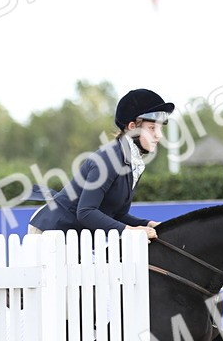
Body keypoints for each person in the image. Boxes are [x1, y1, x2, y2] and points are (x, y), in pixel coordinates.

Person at [28, 88, 173, 240]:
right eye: (152, 128)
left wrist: (149, 224)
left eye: (159, 129)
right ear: (132, 127)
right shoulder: (109, 159)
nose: (159, 135)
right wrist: (131, 230)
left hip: (72, 236)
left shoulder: (132, 162)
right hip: (51, 231)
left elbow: (118, 215)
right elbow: (85, 212)